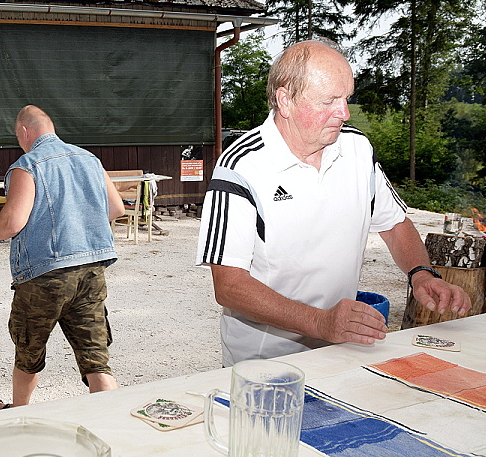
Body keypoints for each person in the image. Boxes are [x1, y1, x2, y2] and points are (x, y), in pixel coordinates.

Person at [197, 40, 471, 366]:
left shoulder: (357, 148)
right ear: (285, 100)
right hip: (265, 361)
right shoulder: (241, 166)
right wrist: (319, 322)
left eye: (346, 98)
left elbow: (394, 224)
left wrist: (421, 274)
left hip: (340, 348)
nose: (344, 113)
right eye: (329, 101)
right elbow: (229, 286)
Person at [0, 105, 126, 409]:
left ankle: (19, 415)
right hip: (91, 271)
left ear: (24, 131)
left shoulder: (27, 165)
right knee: (96, 362)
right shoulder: (90, 159)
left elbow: (12, 222)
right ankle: (113, 421)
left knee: (28, 355)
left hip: (45, 275)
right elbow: (116, 209)